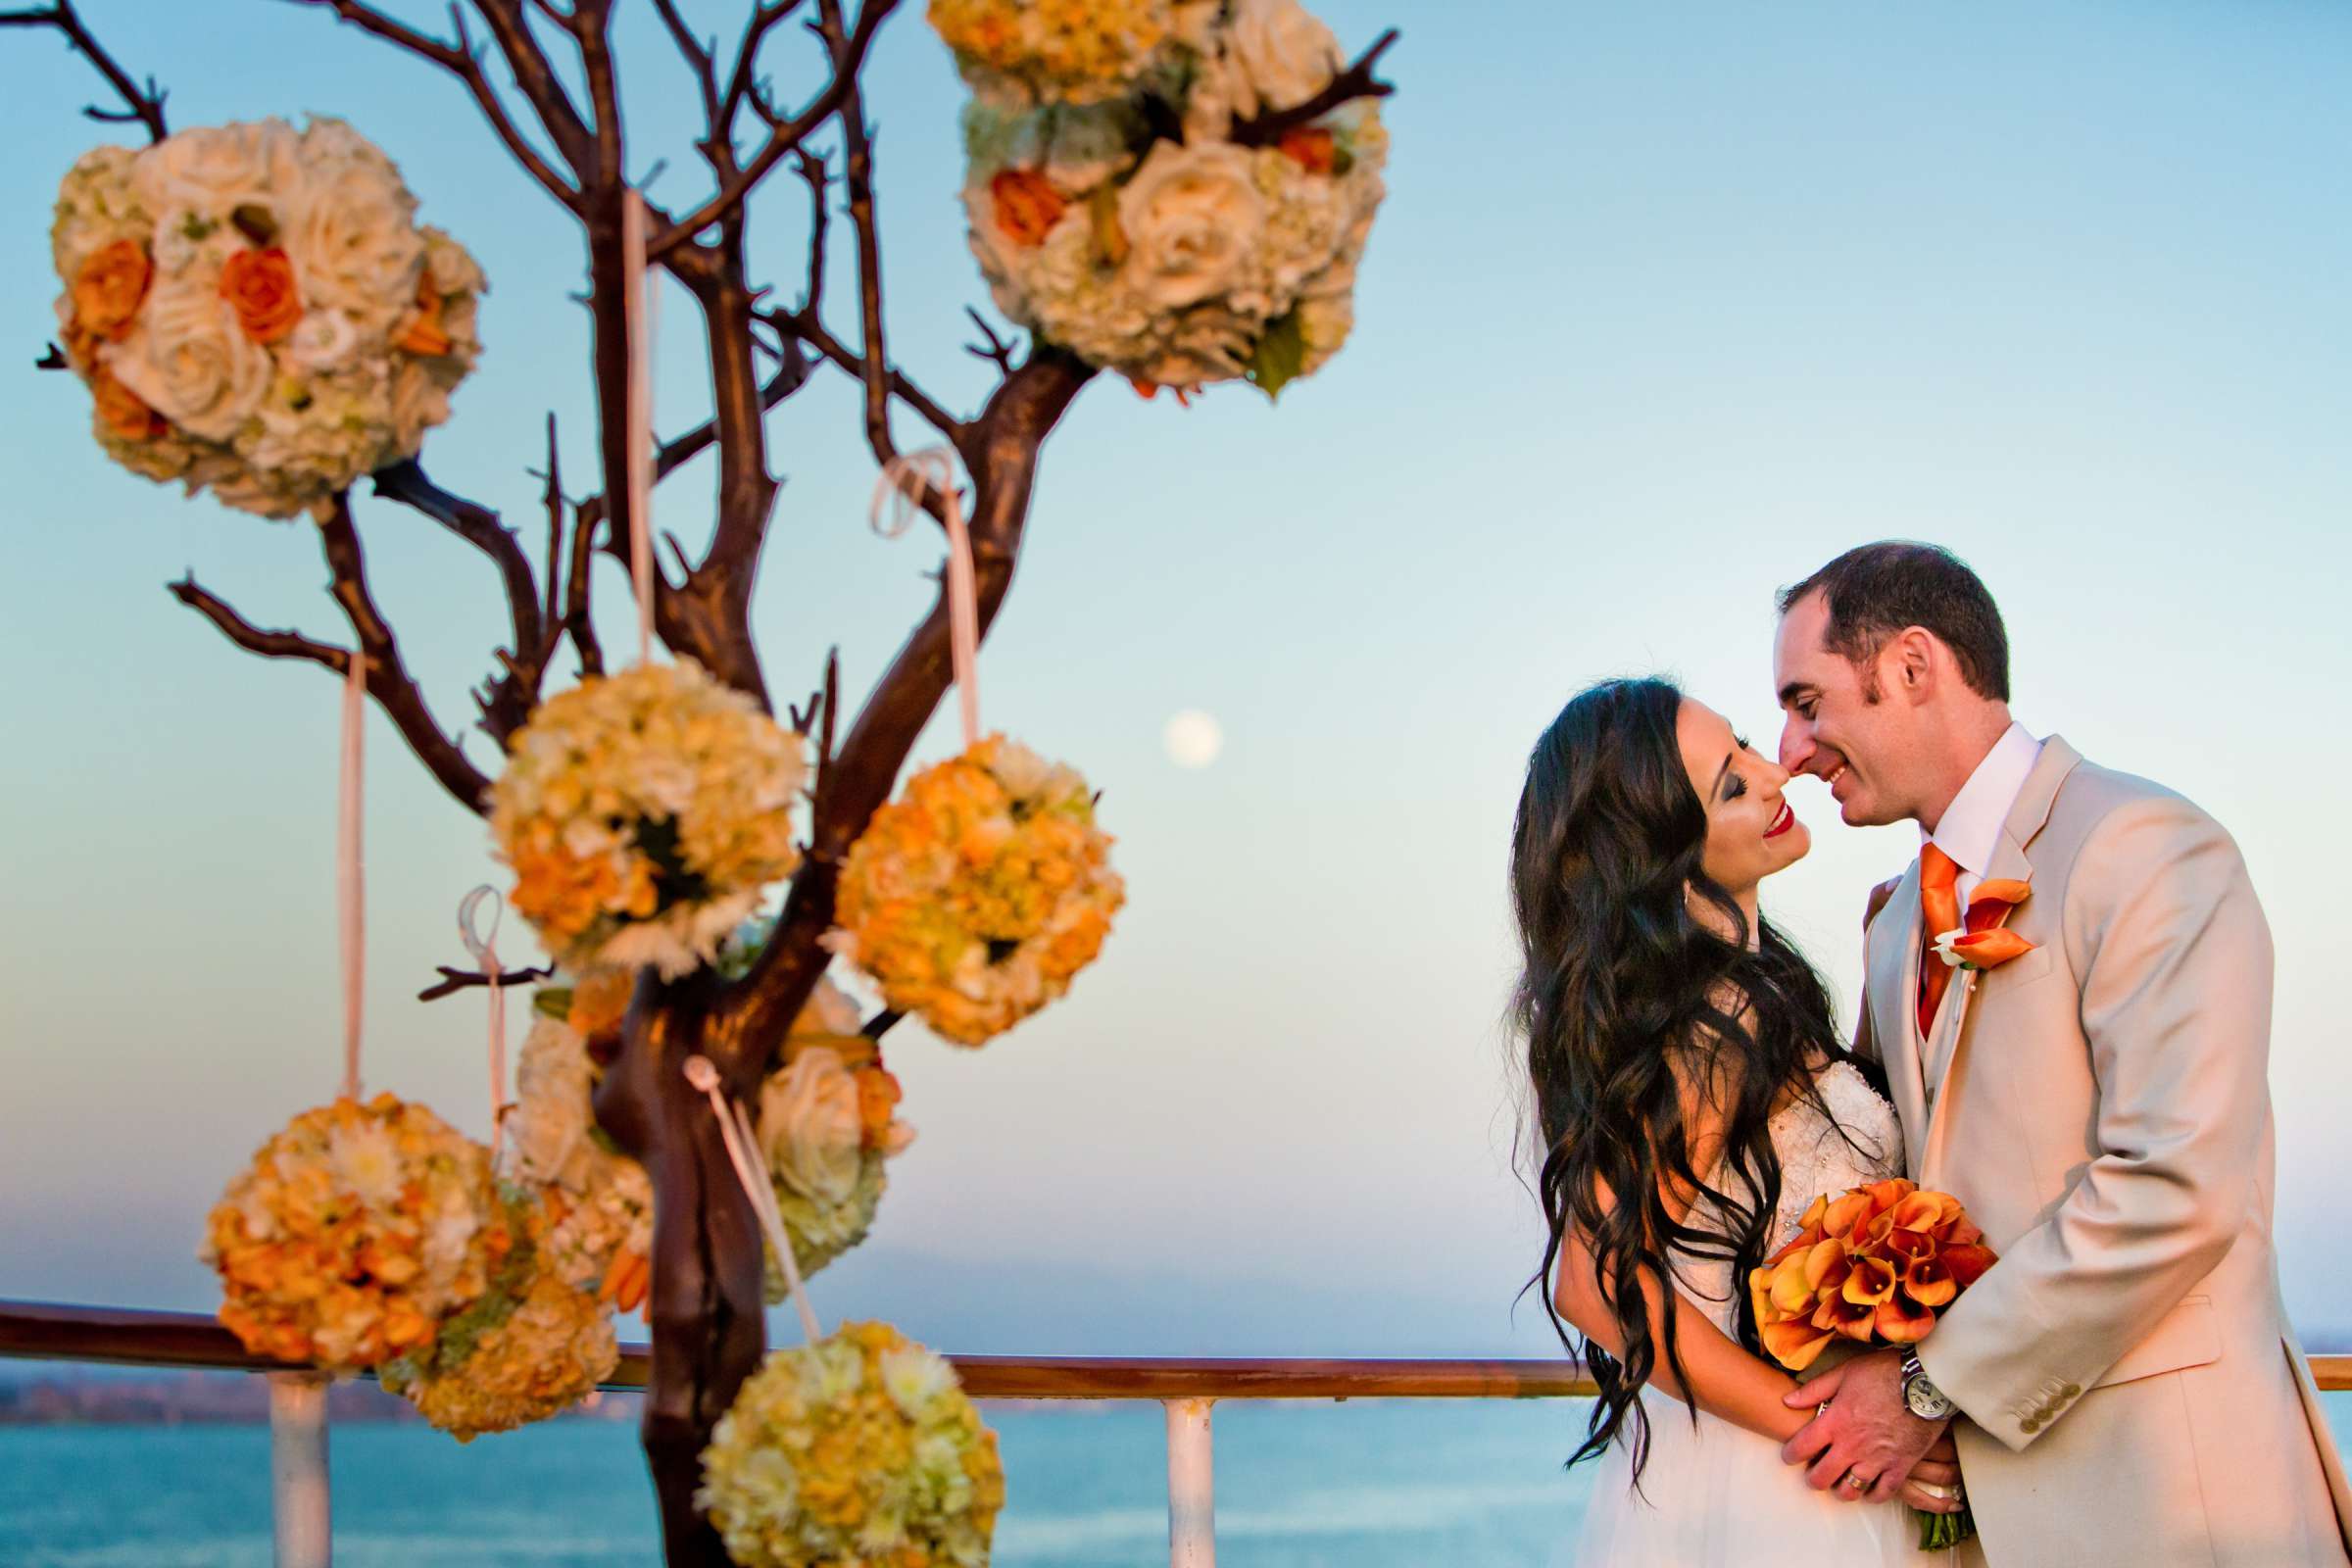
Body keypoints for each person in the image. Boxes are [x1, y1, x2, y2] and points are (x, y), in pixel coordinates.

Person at [1770, 541, 2352, 1566]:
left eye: (1808, 700)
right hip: (1974, 1516)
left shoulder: (2147, 845)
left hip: (2176, 1506)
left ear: (1911, 665)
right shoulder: (1899, 921)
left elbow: (2177, 1185)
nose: (1790, 748)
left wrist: (1927, 1386)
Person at [1513, 675, 1954, 1566]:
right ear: (1663, 854)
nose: (1775, 773)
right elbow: (1594, 1285)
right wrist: (1834, 1426)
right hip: (1775, 1488)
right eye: (1731, 784)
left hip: (1782, 1468)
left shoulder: (1755, 998)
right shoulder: (1710, 1023)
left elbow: (1830, 1149)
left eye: (1746, 747)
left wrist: (1888, 978)